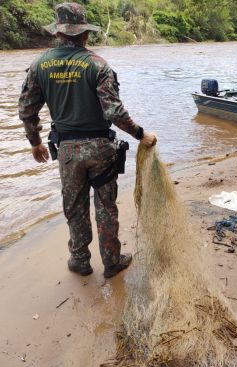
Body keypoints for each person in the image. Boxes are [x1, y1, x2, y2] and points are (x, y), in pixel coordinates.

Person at [18, 2, 157, 278]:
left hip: (67, 151)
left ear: (58, 32)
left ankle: (80, 261)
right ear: (84, 34)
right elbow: (114, 112)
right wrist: (141, 135)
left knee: (74, 206)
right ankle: (112, 262)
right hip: (101, 150)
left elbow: (26, 110)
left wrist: (35, 142)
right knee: (106, 207)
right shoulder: (98, 65)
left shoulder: (39, 65)